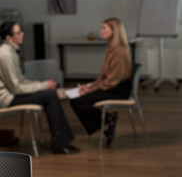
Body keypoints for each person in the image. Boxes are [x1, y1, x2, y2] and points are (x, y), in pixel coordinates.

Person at [0, 21, 79, 154]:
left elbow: (21, 81)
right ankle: (59, 143)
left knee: (49, 93)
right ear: (8, 37)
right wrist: (43, 86)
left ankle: (61, 142)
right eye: (18, 32)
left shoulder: (11, 51)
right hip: (8, 99)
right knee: (51, 96)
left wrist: (43, 85)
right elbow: (16, 88)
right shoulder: (6, 55)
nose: (22, 34)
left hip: (12, 94)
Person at [70, 17, 132, 146]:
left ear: (114, 31)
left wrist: (90, 90)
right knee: (76, 100)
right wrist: (90, 86)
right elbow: (104, 77)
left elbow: (112, 81)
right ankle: (107, 122)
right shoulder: (111, 48)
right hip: (112, 86)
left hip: (118, 89)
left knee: (79, 101)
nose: (101, 31)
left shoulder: (120, 51)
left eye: (104, 28)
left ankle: (108, 120)